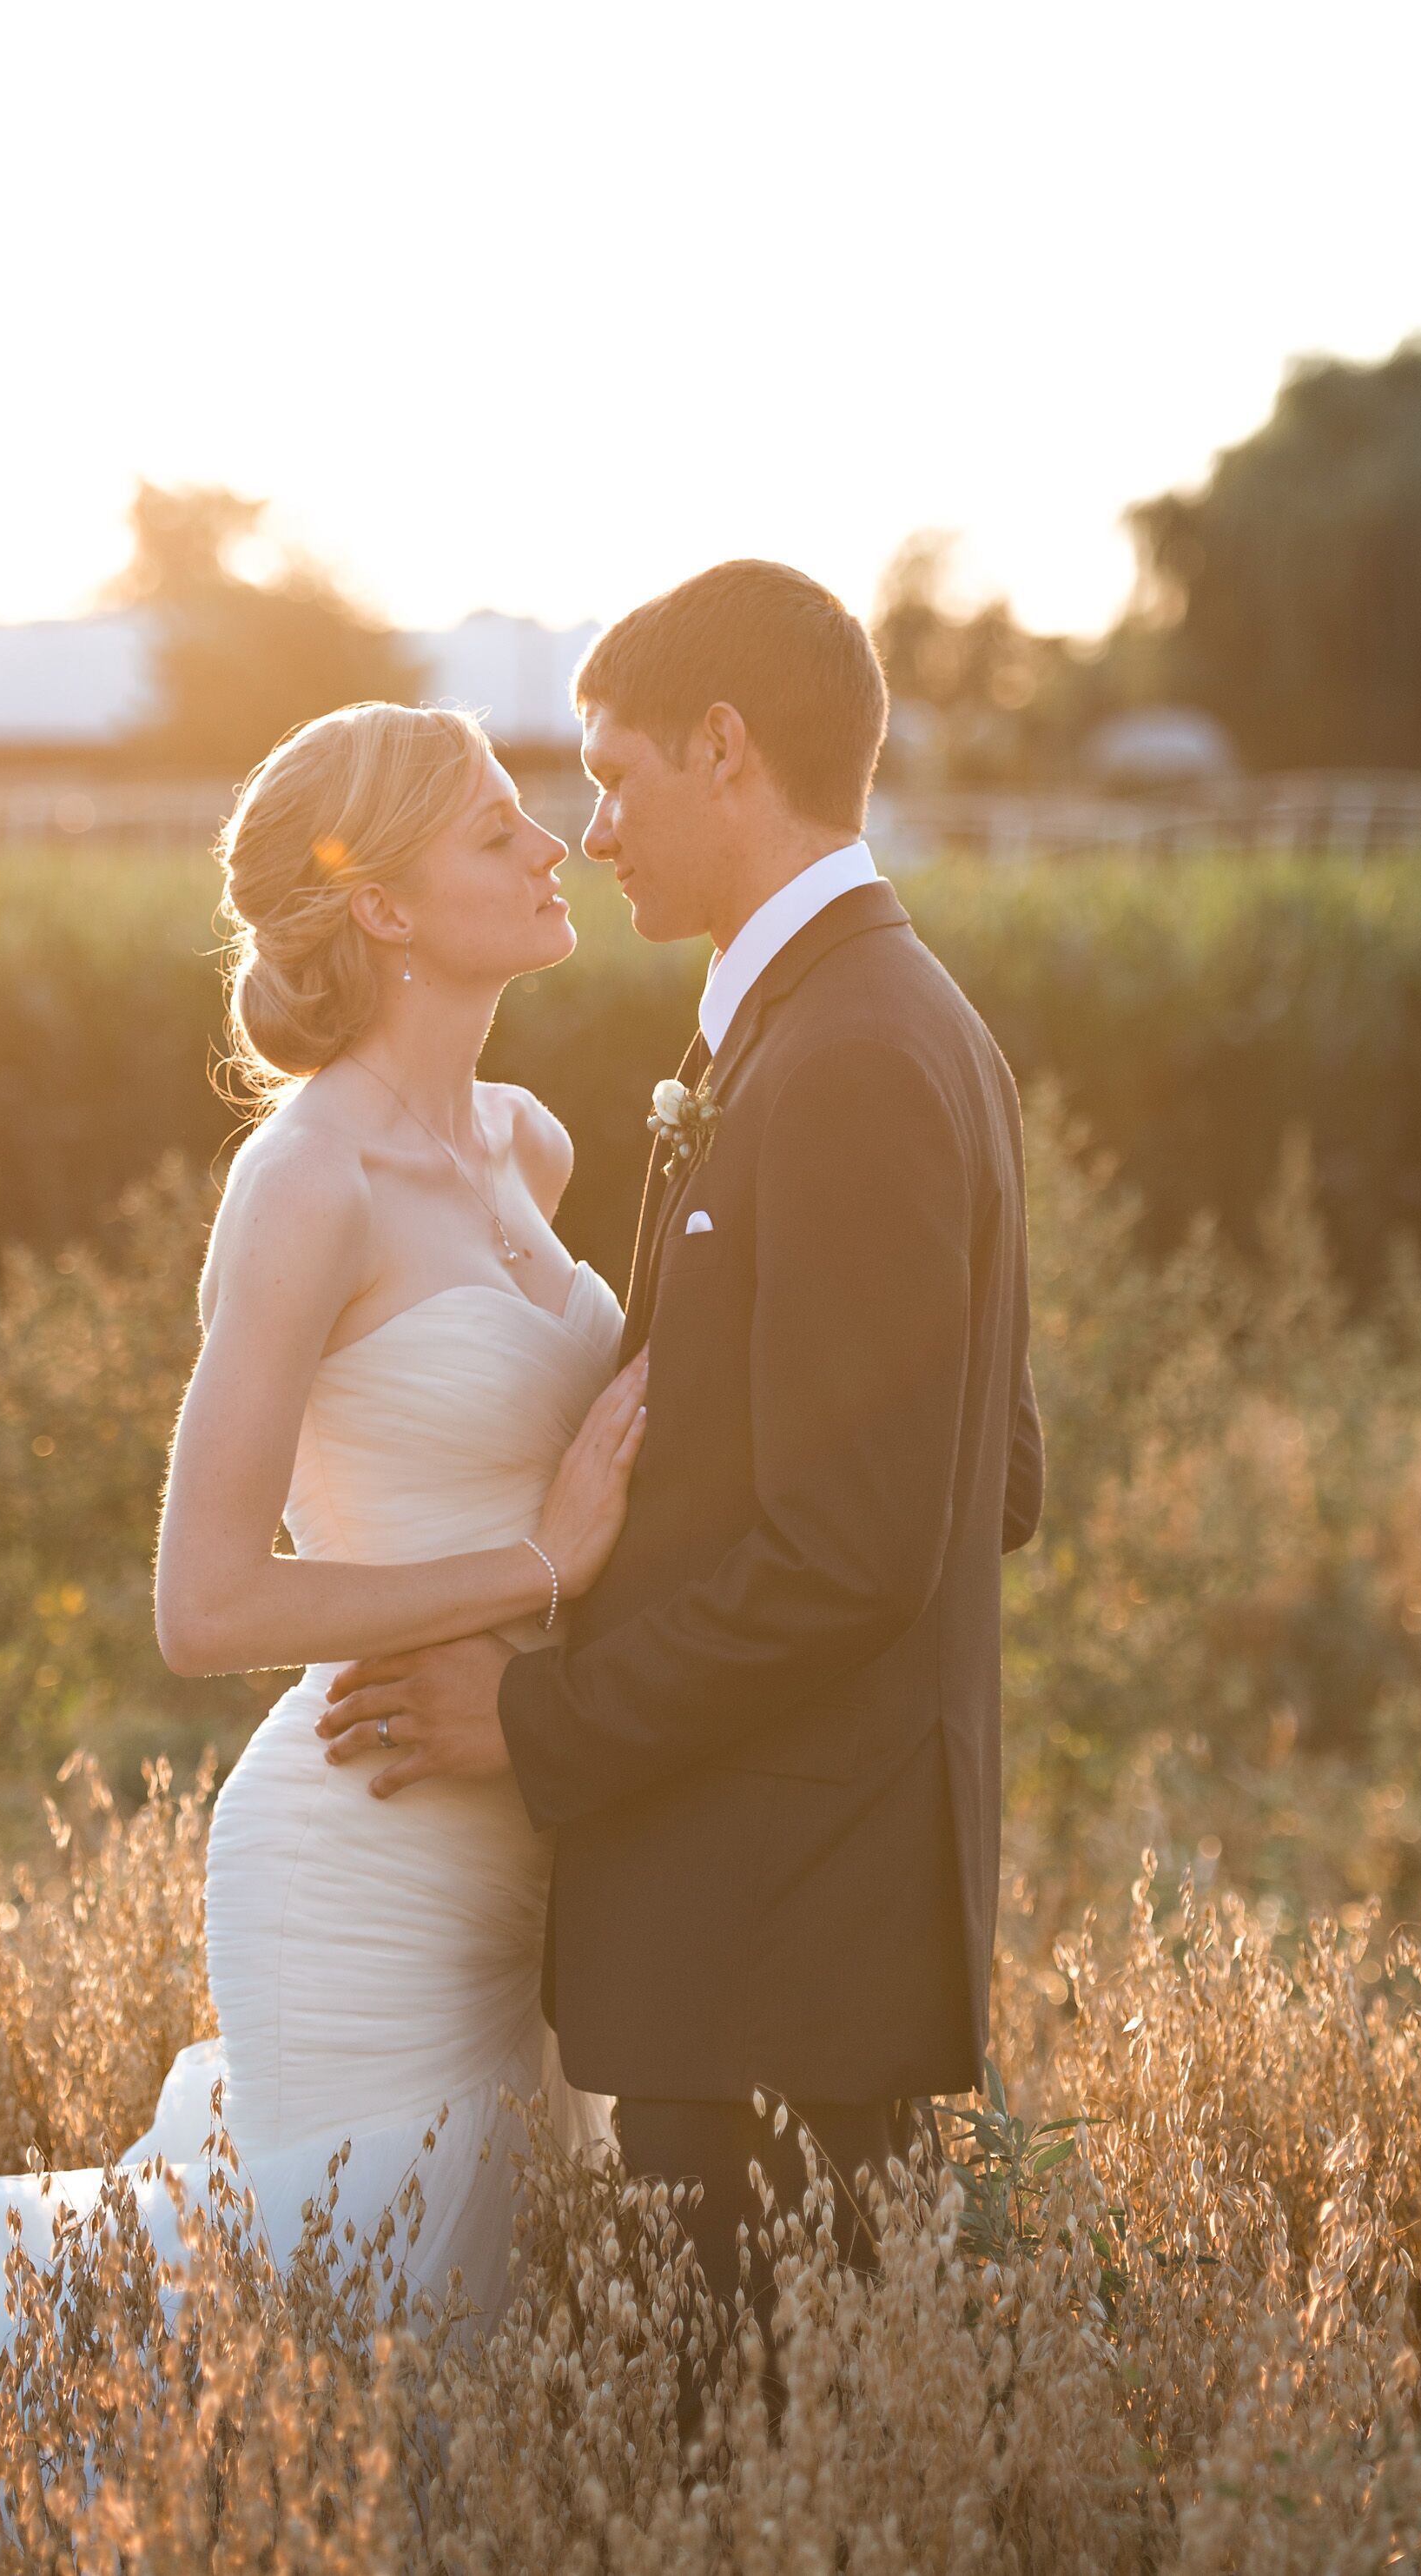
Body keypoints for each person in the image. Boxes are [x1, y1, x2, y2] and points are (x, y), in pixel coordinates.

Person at [322, 560, 1041, 2310]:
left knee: (752, 2464)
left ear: (726, 749)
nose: (598, 825)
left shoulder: (853, 1053)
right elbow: (990, 1474)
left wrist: (541, 1709)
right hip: (773, 1923)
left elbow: (859, 1545)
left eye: (617, 773)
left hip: (782, 1937)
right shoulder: (845, 1019)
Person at [0, 699, 646, 2352]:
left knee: (501, 2358)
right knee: (357, 2358)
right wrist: (543, 1567)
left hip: (528, 1819)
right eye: (493, 831)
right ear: (381, 908)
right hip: (369, 1840)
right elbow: (206, 1602)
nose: (553, 846)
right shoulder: (307, 1180)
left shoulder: (525, 1143)